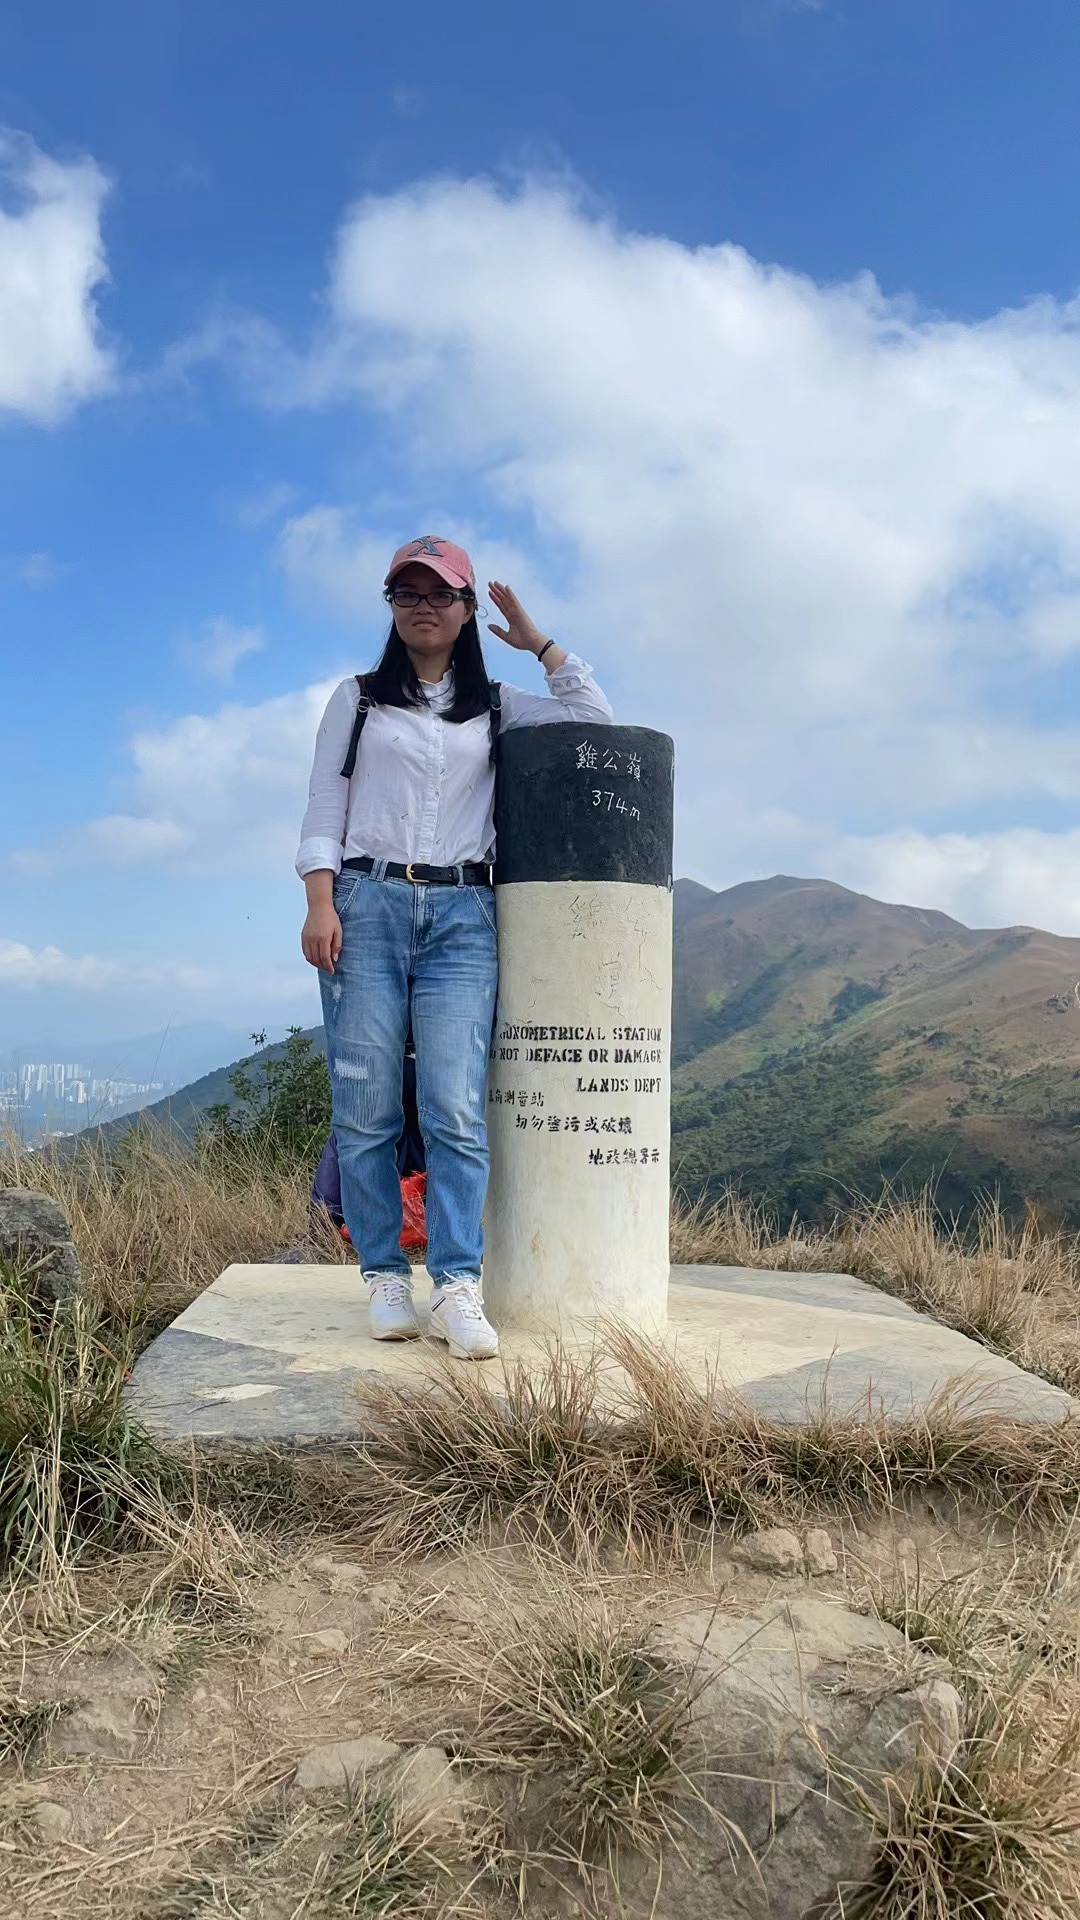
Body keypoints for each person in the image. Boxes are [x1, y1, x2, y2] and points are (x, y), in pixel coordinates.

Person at [296, 534, 613, 1358]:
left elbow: (593, 718)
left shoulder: (498, 704)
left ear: (468, 608)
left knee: (455, 1108)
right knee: (364, 1105)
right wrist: (319, 902)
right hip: (365, 903)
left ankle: (458, 1284)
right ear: (392, 608)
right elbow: (324, 807)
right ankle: (385, 1276)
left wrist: (538, 642)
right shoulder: (359, 698)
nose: (422, 607)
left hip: (465, 912)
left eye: (439, 593)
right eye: (406, 593)